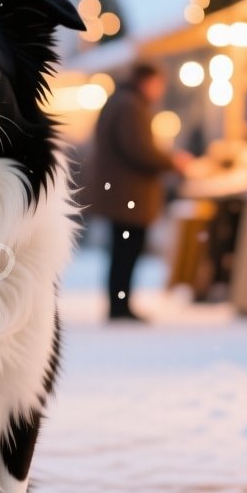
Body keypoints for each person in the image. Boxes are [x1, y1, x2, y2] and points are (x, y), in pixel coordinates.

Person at [86, 62, 191, 322]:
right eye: (158, 85)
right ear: (147, 81)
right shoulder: (130, 106)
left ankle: (120, 304)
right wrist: (172, 162)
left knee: (123, 251)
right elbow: (139, 150)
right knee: (127, 251)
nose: (159, 91)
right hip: (128, 196)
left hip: (123, 194)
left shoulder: (121, 101)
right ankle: (120, 306)